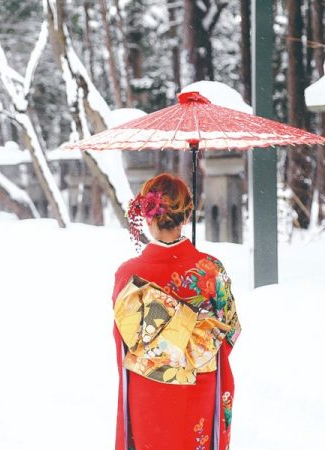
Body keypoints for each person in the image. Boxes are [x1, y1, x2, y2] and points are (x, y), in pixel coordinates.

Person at [111, 173, 241, 450]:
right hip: (198, 387)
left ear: (148, 216)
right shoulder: (210, 270)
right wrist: (190, 343)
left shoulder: (128, 274)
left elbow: (123, 341)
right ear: (185, 216)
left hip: (147, 390)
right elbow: (230, 332)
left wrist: (162, 347)